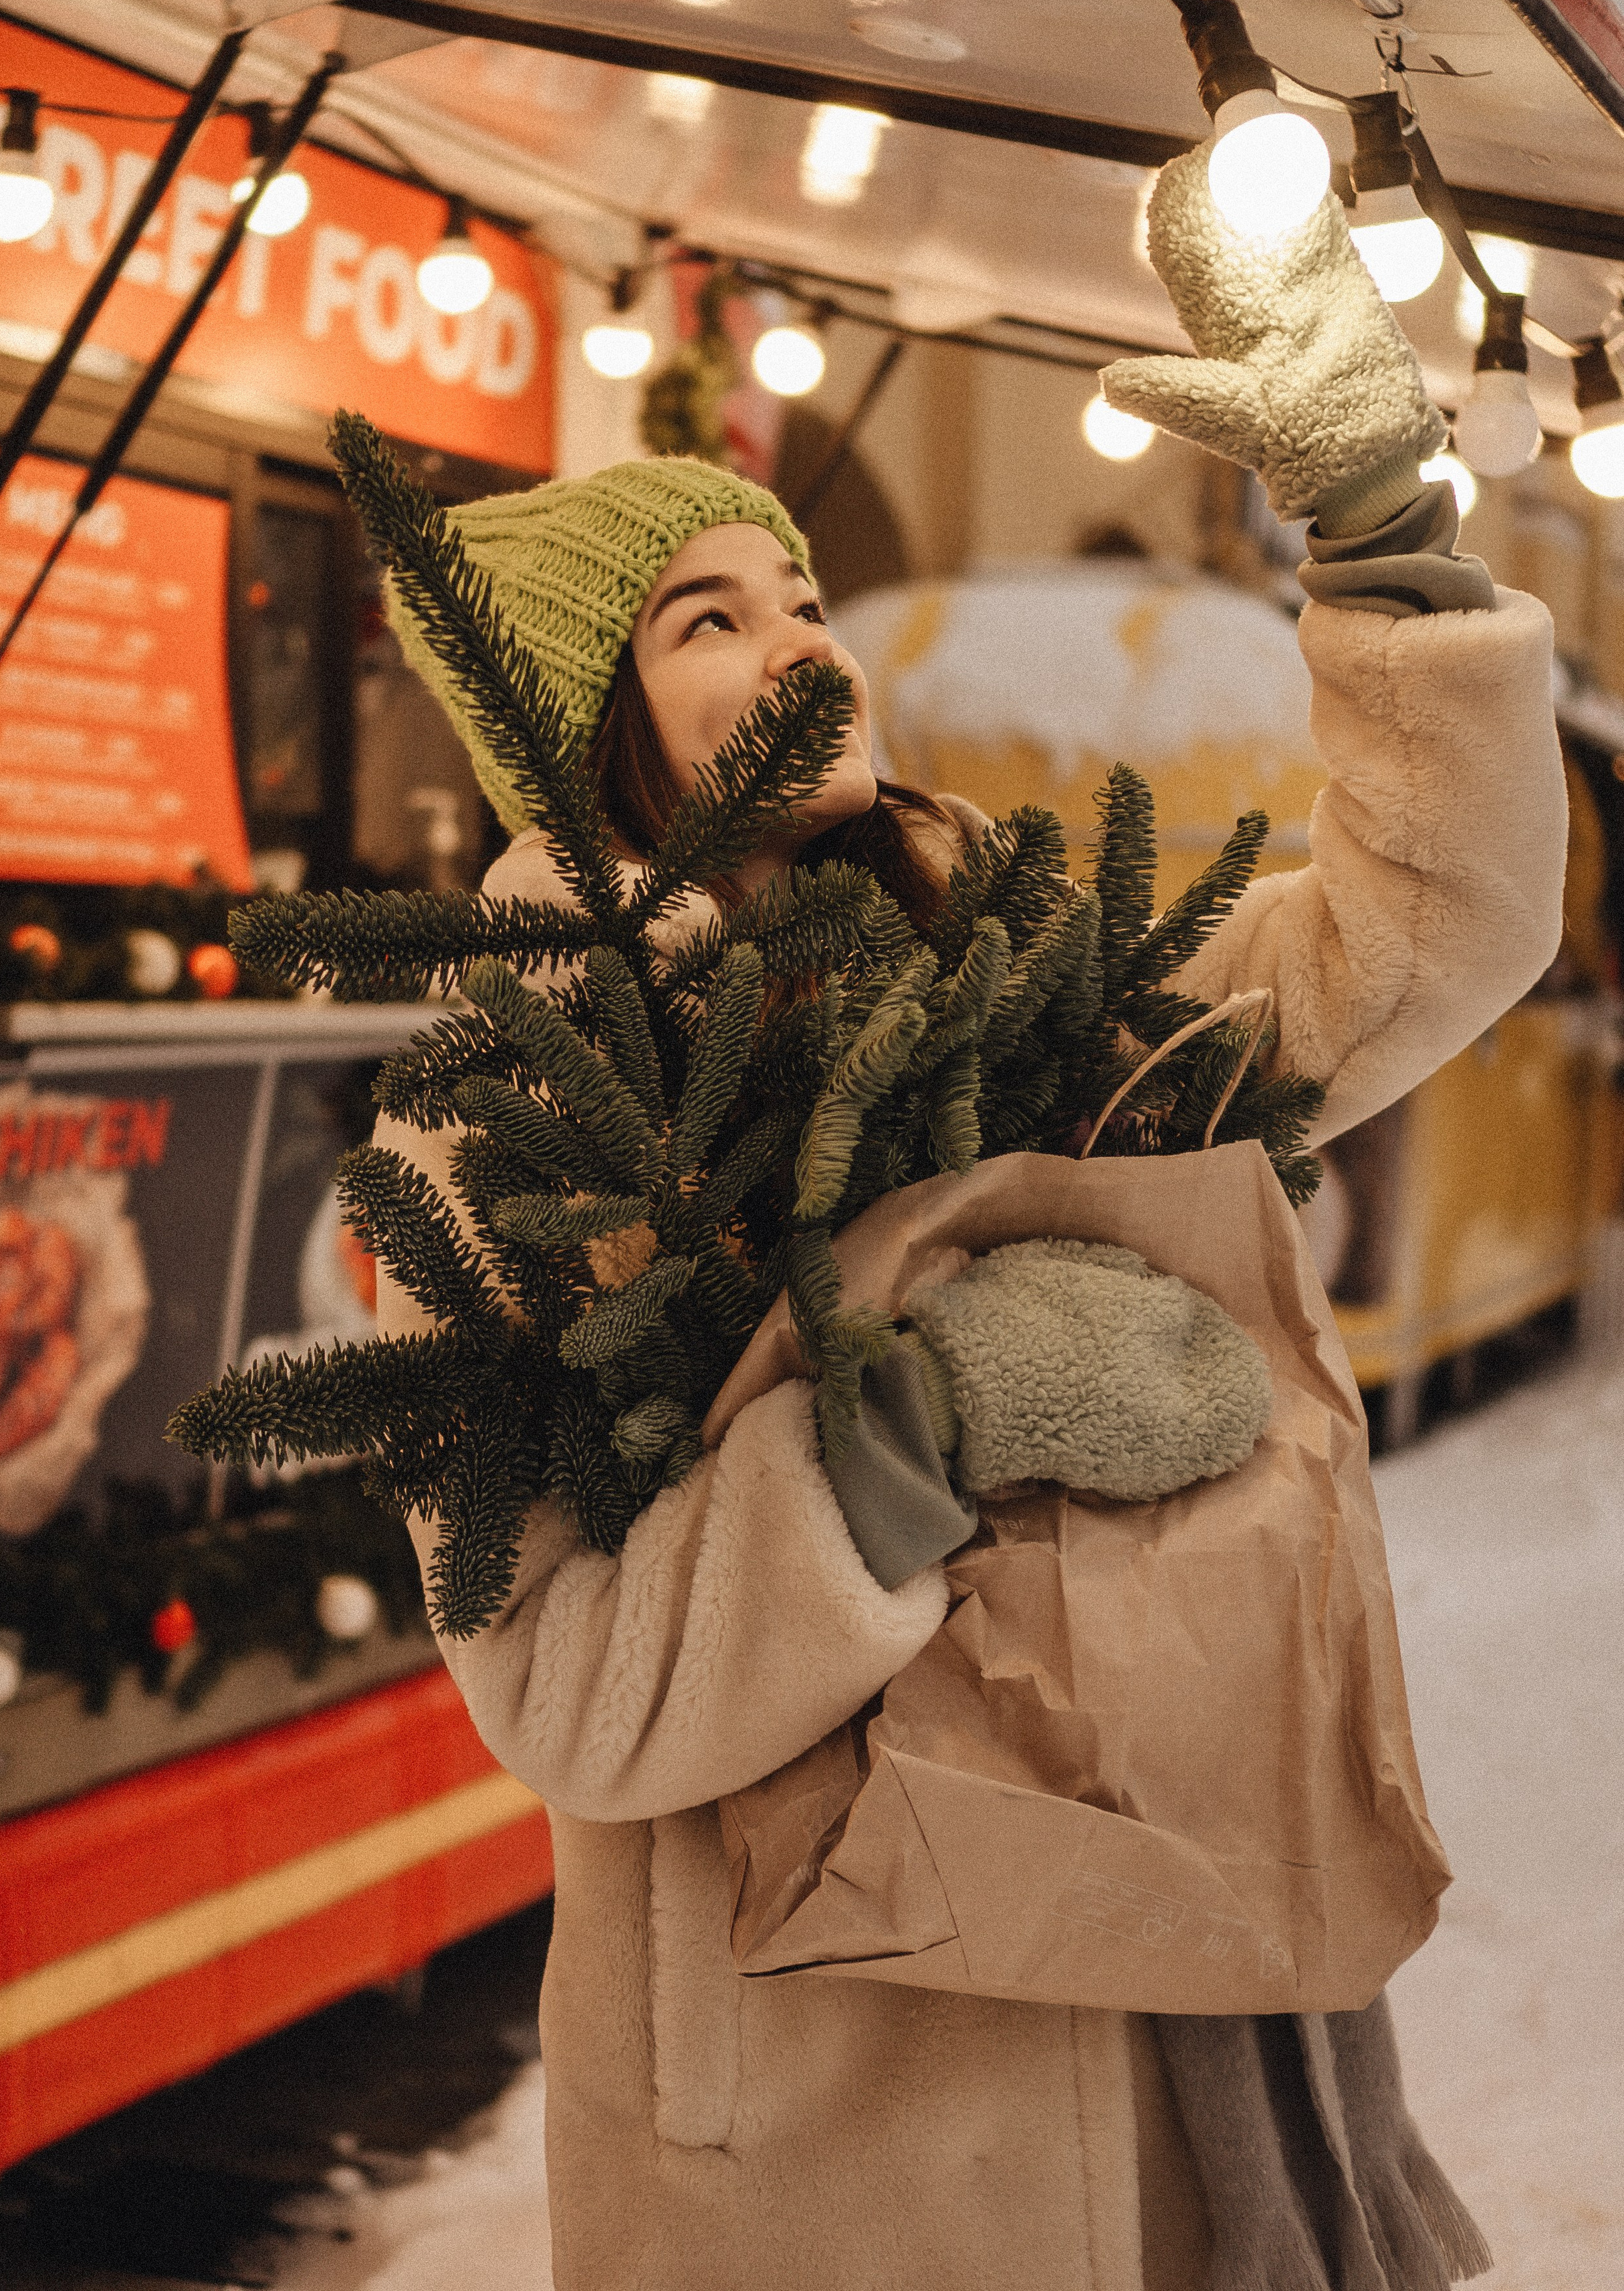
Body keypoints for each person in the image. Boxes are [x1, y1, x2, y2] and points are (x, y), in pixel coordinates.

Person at [372, 150, 1566, 2290]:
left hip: (1169, 2027)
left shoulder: (1032, 968)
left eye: (807, 598)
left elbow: (1434, 924)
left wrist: (1387, 525)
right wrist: (906, 1422)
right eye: (706, 622)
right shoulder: (513, 1120)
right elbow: (566, 1692)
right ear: (578, 731)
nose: (800, 648)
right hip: (826, 2147)